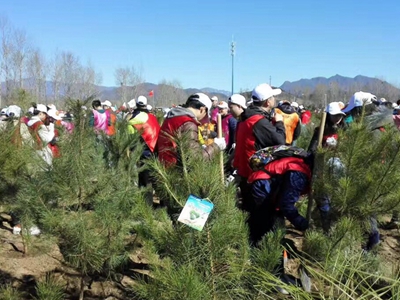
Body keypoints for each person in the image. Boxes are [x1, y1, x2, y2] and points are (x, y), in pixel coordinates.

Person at [233, 83, 286, 211]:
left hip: (244, 173)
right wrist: (279, 123)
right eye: (273, 97)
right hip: (257, 176)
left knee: (248, 211)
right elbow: (280, 141)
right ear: (268, 102)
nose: (275, 100)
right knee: (260, 214)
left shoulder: (245, 118)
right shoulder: (258, 121)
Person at [247, 154, 312, 244]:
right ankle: (255, 250)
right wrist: (302, 223)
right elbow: (286, 204)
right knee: (265, 225)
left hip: (267, 187)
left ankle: (269, 249)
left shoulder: (301, 166)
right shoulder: (299, 173)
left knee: (277, 226)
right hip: (262, 186)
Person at [156, 93, 226, 167]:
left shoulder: (172, 117)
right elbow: (195, 159)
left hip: (165, 165)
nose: (204, 119)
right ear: (202, 110)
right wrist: (216, 146)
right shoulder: (188, 124)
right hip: (178, 171)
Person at [128, 97, 161, 205]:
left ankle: (146, 206)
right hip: (155, 151)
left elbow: (130, 139)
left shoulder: (133, 119)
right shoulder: (152, 117)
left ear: (136, 105)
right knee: (153, 180)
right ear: (146, 105)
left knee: (143, 181)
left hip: (143, 152)